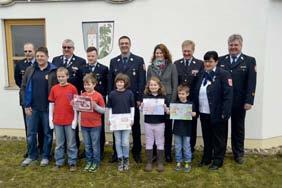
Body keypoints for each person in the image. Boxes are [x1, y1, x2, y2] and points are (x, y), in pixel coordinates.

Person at [218, 34, 257, 164]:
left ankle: (238, 154)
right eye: (231, 45)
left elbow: (251, 82)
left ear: (241, 45)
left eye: (236, 45)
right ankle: (220, 153)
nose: (233, 47)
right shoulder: (221, 60)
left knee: (238, 128)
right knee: (222, 129)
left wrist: (249, 100)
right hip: (223, 102)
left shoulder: (249, 61)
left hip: (240, 102)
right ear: (228, 45)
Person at [108, 36, 146, 163]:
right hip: (117, 99)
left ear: (130, 44)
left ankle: (136, 152)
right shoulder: (114, 61)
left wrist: (140, 98)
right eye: (122, 43)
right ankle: (116, 153)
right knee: (116, 124)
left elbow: (142, 80)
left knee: (134, 125)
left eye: (126, 43)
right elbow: (110, 81)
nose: (124, 45)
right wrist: (110, 96)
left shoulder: (138, 60)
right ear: (119, 45)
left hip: (132, 99)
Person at [194, 51, 233, 170]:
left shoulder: (224, 74)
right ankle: (207, 158)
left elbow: (228, 95)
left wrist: (225, 113)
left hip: (218, 113)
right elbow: (196, 92)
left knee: (219, 138)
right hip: (204, 112)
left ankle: (218, 160)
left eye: (210, 61)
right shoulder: (201, 74)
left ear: (216, 61)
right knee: (207, 137)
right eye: (206, 61)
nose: (207, 64)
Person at [20, 47, 58, 167]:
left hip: (47, 109)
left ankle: (46, 156)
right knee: (31, 134)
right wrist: (26, 105)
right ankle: (32, 155)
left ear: (47, 56)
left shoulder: (53, 71)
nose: (39, 58)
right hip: (32, 108)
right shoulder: (30, 70)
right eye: (38, 56)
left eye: (42, 56)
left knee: (47, 134)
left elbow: (58, 89)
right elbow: (23, 88)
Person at [52, 39, 86, 154]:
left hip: (73, 97)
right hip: (60, 97)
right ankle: (63, 150)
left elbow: (82, 81)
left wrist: (81, 98)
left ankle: (73, 149)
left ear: (73, 48)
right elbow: (53, 79)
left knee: (73, 125)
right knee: (61, 125)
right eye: (64, 47)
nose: (66, 49)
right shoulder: (55, 60)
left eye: (69, 47)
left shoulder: (81, 61)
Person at [147, 43, 178, 162]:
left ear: (165, 54)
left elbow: (175, 85)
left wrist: (172, 102)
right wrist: (148, 101)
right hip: (154, 101)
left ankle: (168, 153)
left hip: (168, 100)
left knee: (167, 128)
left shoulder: (172, 66)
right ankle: (155, 153)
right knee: (155, 128)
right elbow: (147, 85)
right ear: (154, 55)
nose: (159, 55)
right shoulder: (150, 68)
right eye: (157, 53)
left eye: (161, 53)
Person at [14, 43, 44, 157]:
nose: (27, 53)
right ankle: (30, 148)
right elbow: (18, 81)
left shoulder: (39, 63)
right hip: (26, 100)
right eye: (25, 51)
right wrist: (26, 93)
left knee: (40, 126)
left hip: (38, 100)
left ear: (34, 51)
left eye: (30, 51)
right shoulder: (20, 64)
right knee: (29, 126)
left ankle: (41, 147)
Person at [174, 40, 204, 154]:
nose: (186, 53)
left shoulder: (199, 64)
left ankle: (190, 150)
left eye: (189, 51)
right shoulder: (176, 64)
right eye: (184, 51)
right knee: (179, 125)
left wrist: (193, 101)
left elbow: (199, 82)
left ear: (193, 50)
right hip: (180, 101)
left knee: (191, 126)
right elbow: (175, 82)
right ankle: (179, 150)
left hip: (192, 101)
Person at [48, 67, 78, 172]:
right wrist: (50, 119)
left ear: (67, 76)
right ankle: (59, 161)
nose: (61, 78)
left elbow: (75, 106)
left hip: (69, 121)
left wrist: (75, 120)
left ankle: (72, 162)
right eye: (59, 77)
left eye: (63, 76)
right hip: (57, 121)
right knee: (59, 143)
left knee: (71, 143)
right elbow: (51, 105)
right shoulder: (54, 89)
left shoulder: (72, 88)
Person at [82, 46, 108, 160]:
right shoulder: (82, 69)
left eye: (93, 56)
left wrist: (101, 98)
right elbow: (80, 85)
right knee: (86, 125)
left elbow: (106, 85)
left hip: (98, 100)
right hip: (85, 101)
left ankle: (100, 150)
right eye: (89, 56)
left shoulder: (103, 68)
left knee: (99, 127)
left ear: (97, 56)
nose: (90, 58)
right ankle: (88, 152)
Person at [107, 73, 135, 171]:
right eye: (118, 82)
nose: (119, 84)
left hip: (126, 121)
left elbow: (132, 107)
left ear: (125, 83)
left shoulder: (130, 93)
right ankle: (120, 159)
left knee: (125, 142)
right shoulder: (112, 94)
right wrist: (110, 119)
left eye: (121, 82)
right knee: (118, 141)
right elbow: (110, 108)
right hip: (115, 122)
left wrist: (132, 119)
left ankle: (126, 159)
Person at [141, 76, 168, 172]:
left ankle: (160, 162)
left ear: (159, 86)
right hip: (148, 122)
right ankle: (149, 162)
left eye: (155, 85)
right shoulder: (145, 97)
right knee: (149, 141)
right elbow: (141, 110)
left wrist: (165, 108)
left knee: (160, 141)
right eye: (151, 85)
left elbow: (168, 111)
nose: (153, 86)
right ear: (148, 86)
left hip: (160, 123)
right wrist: (141, 107)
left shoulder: (163, 97)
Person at [80, 74, 105, 173]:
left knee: (95, 145)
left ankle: (96, 162)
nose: (86, 86)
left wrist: (95, 106)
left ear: (94, 84)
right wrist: (75, 104)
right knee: (87, 145)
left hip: (95, 125)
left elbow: (103, 110)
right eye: (85, 84)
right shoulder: (82, 95)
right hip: (84, 124)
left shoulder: (98, 96)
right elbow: (79, 108)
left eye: (88, 84)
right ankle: (89, 161)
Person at [173, 85, 196, 173]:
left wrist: (194, 114)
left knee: (186, 146)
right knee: (178, 146)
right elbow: (171, 113)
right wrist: (167, 109)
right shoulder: (176, 104)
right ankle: (178, 162)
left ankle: (187, 162)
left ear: (187, 94)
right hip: (177, 129)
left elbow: (194, 115)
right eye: (179, 94)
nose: (181, 96)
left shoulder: (191, 104)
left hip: (187, 129)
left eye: (183, 94)